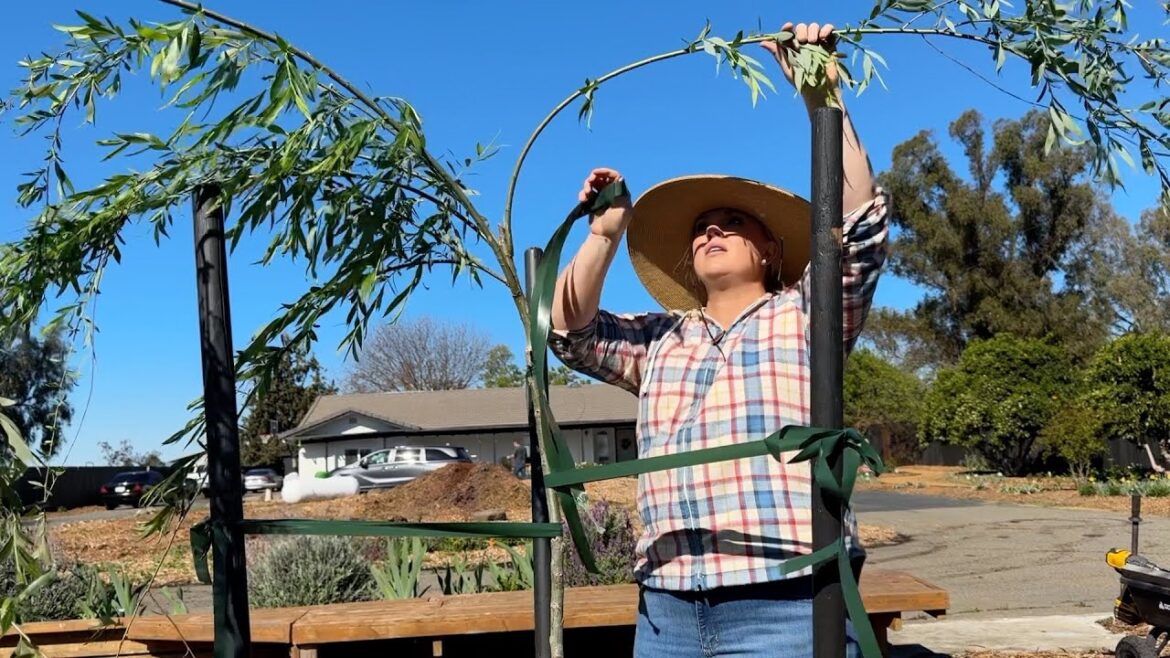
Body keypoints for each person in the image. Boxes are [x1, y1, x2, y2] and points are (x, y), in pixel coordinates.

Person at [548, 21, 888, 658]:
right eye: (701, 227)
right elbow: (569, 333)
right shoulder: (660, 342)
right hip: (667, 608)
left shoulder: (806, 315)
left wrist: (822, 97)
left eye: (733, 222)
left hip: (787, 600)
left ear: (771, 251)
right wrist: (602, 236)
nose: (711, 232)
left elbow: (859, 225)